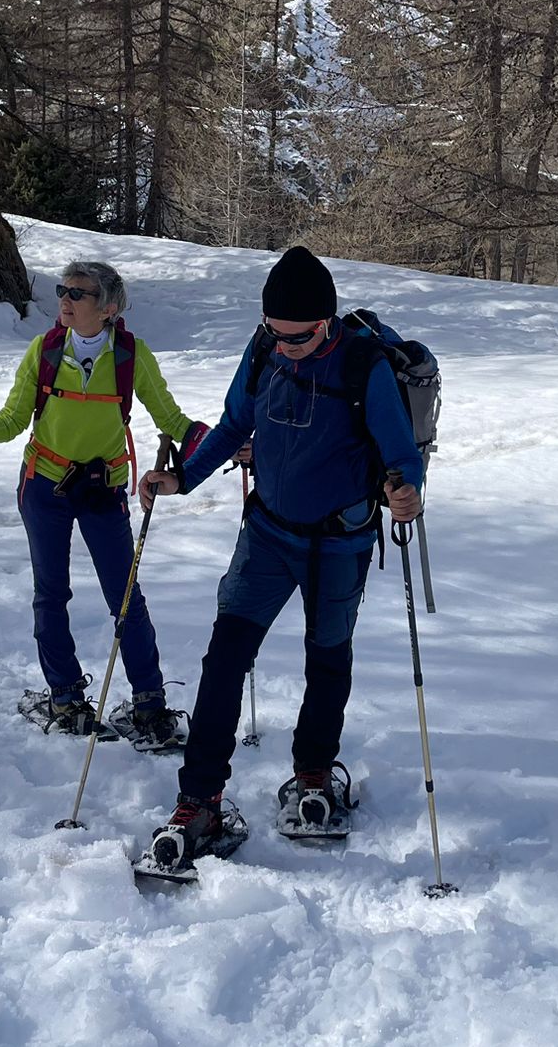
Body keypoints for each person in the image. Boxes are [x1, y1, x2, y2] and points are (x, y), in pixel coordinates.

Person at [136, 245, 424, 865]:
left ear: (327, 321)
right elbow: (233, 424)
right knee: (224, 659)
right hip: (267, 534)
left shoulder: (364, 365)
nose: (287, 347)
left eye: (300, 337)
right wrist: (183, 478)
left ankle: (314, 774)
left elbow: (402, 454)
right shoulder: (264, 348)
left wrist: (405, 490)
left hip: (339, 542)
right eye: (277, 333)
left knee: (327, 661)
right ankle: (200, 800)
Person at [0, 260, 205, 749]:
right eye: (63, 290)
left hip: (104, 489)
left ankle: (149, 704)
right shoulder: (44, 349)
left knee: (126, 598)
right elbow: (13, 419)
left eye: (78, 293)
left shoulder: (130, 355)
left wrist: (216, 443)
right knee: (51, 593)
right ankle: (64, 698)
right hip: (44, 486)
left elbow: (170, 417)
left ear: (108, 308)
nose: (65, 299)